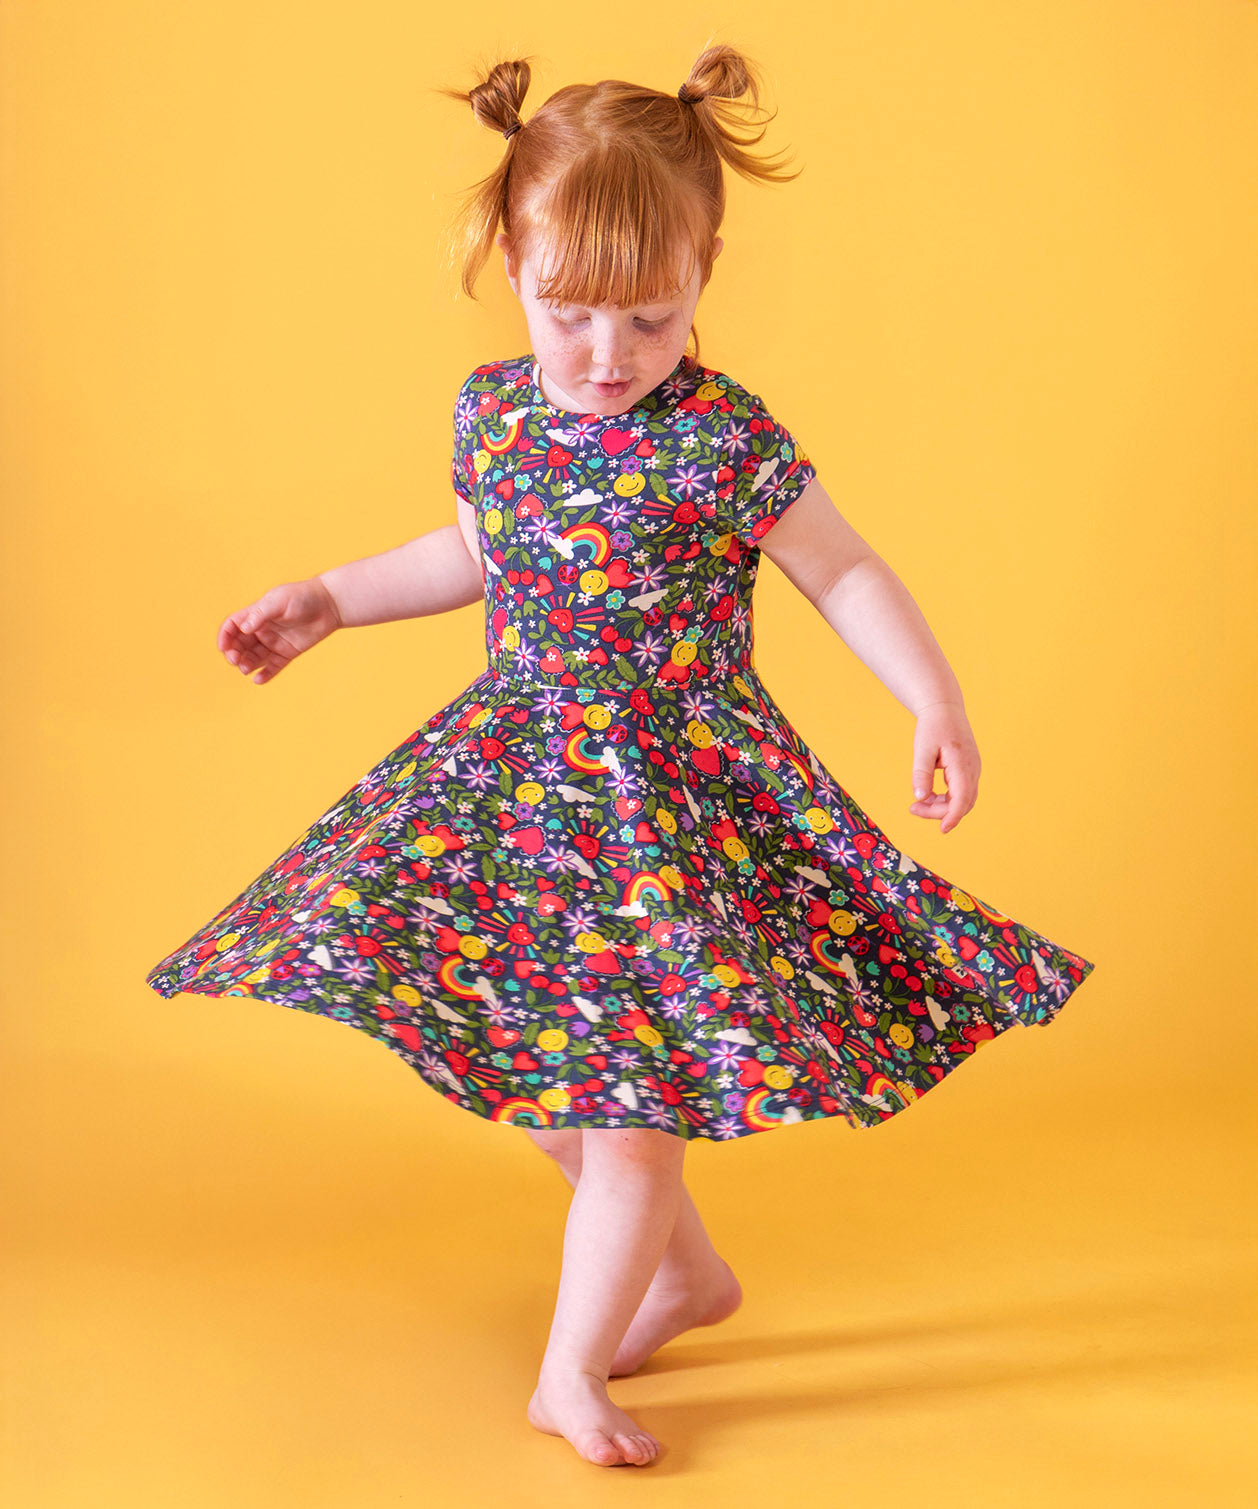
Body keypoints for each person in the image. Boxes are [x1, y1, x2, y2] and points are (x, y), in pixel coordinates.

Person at [145, 44, 1097, 1470]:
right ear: (507, 263)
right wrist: (332, 597)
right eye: (568, 313)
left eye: (651, 317)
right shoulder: (496, 413)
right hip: (523, 794)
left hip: (669, 812)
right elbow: (471, 548)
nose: (606, 356)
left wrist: (932, 697)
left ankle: (567, 1371)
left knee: (632, 1115)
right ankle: (683, 1278)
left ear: (706, 269)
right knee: (550, 1089)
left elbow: (841, 573)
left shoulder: (721, 440)